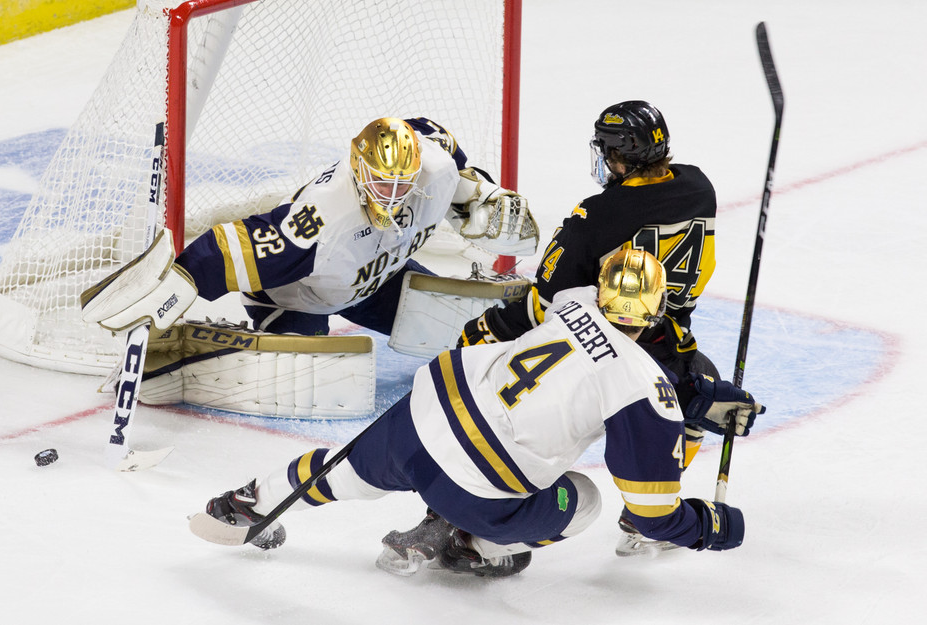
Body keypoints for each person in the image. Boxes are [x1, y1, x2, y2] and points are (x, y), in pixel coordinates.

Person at [191, 250, 762, 577]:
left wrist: (693, 398)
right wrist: (715, 526)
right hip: (481, 489)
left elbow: (588, 358)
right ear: (658, 312)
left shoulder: (574, 301)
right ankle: (473, 545)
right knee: (584, 500)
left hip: (423, 419)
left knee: (342, 473)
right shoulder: (643, 385)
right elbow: (653, 511)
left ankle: (243, 504)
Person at [455, 101, 726, 554]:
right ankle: (647, 515)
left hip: (597, 354)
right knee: (695, 399)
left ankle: (457, 521)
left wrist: (487, 329)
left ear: (621, 155)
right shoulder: (699, 186)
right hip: (669, 353)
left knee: (496, 389)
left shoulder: (598, 215)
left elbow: (545, 302)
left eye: (605, 149)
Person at [174, 116, 539, 339]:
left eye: (403, 182)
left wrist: (479, 192)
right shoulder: (323, 218)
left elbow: (427, 136)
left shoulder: (435, 166)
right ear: (358, 169)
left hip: (379, 279)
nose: (394, 195)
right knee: (314, 378)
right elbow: (227, 251)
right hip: (300, 299)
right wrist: (172, 288)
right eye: (382, 183)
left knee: (470, 332)